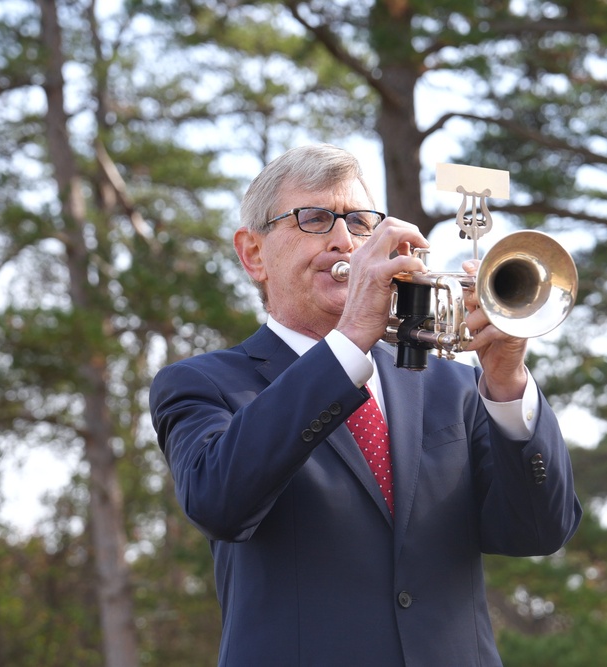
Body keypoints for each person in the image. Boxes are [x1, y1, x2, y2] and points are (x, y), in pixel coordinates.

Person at [149, 144, 582, 666]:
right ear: (253, 254)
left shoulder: (456, 387)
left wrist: (508, 381)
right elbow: (219, 500)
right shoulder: (201, 383)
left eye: (359, 222)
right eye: (313, 219)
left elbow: (539, 530)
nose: (343, 241)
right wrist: (351, 336)